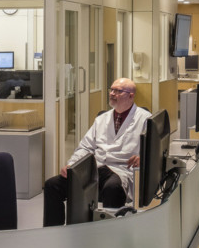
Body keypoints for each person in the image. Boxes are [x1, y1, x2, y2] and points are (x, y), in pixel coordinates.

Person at [42, 78, 150, 225]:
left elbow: (151, 150)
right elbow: (86, 147)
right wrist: (72, 165)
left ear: (131, 95)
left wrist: (142, 157)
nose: (112, 94)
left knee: (112, 188)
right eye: (111, 90)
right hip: (95, 168)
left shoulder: (144, 119)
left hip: (121, 170)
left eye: (117, 91)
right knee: (52, 185)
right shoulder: (102, 119)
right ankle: (53, 232)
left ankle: (108, 234)